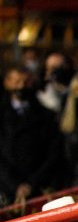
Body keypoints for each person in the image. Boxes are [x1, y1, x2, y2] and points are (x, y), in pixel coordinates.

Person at [0, 66, 63, 206]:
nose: (22, 86)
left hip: (38, 189)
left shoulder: (46, 116)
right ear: (7, 82)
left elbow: (53, 153)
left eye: (26, 82)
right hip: (7, 192)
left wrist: (31, 184)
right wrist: (15, 185)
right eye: (17, 82)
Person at [37, 51, 75, 115]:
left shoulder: (76, 94)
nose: (56, 72)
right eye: (52, 68)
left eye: (61, 68)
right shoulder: (39, 97)